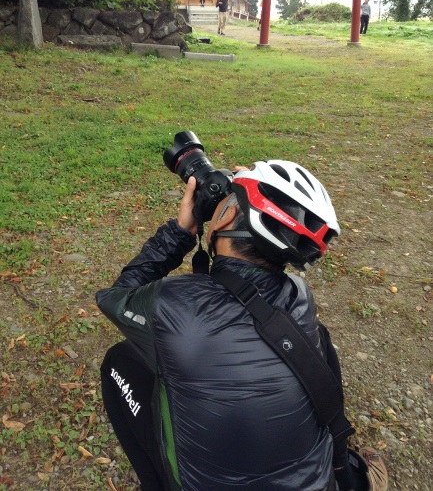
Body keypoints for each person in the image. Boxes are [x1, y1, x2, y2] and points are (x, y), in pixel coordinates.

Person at [96, 160, 380, 491]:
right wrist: (244, 191)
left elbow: (115, 297)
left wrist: (179, 232)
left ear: (228, 216)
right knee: (316, 340)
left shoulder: (174, 304)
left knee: (119, 359)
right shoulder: (300, 296)